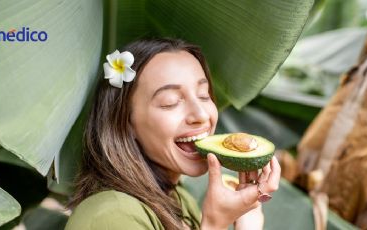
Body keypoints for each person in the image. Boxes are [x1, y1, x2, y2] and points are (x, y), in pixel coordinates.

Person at [65, 37, 281, 230]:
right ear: (125, 123)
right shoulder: (109, 216)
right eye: (170, 102)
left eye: (204, 95)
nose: (200, 114)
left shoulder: (181, 201)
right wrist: (215, 224)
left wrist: (246, 222)